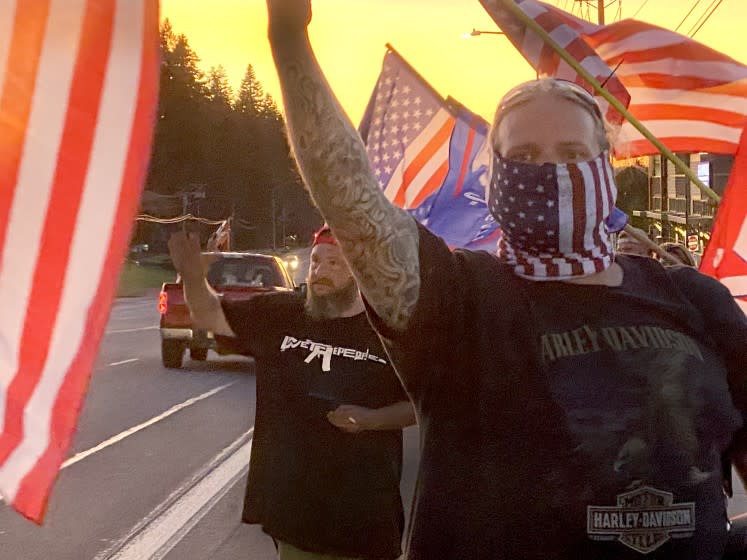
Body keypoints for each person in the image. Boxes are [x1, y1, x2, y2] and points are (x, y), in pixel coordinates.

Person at [265, 2, 747, 558]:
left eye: (571, 153)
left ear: (605, 167)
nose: (548, 171)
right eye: (524, 156)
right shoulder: (456, 298)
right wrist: (288, 41)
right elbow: (353, 203)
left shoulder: (693, 300)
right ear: (494, 181)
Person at [168, 226, 416, 560]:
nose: (320, 272)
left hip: (363, 513)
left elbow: (423, 404)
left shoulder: (388, 331)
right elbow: (210, 314)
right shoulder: (281, 313)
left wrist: (372, 420)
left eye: (334, 263)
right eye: (316, 261)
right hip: (294, 509)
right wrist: (193, 276)